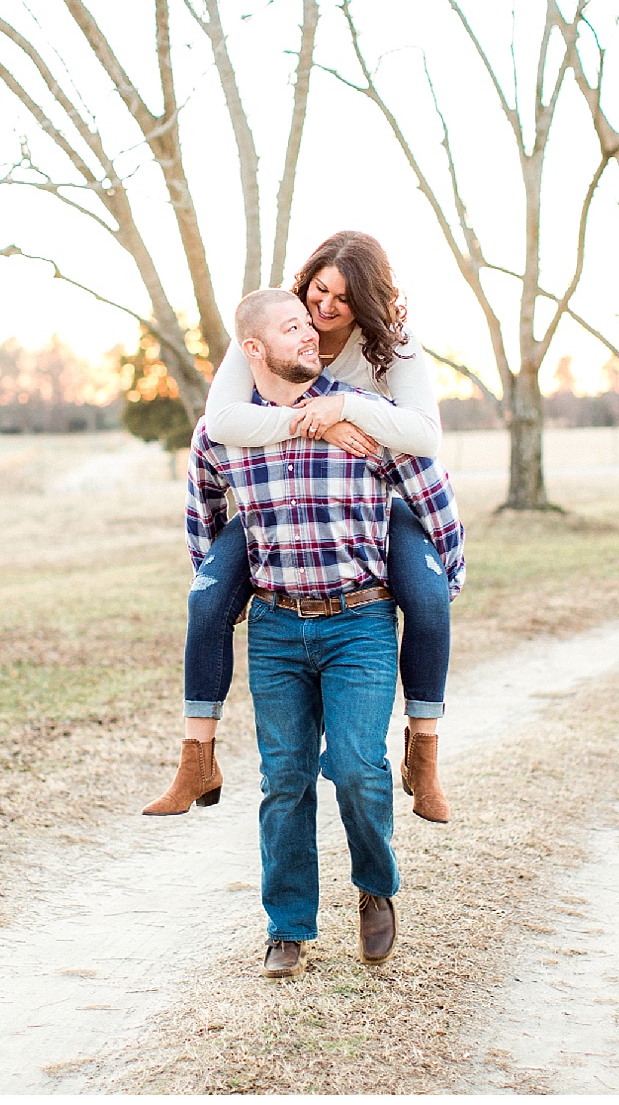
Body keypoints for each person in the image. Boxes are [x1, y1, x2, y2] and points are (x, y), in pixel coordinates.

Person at [183, 287, 465, 977]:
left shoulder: (367, 417)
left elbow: (432, 496)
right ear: (255, 350)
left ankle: (375, 889)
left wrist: (440, 582)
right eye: (294, 327)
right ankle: (287, 928)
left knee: (360, 771)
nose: (313, 334)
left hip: (361, 621)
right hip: (278, 629)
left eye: (312, 325)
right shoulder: (227, 429)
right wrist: (226, 591)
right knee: (283, 779)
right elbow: (205, 515)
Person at [144, 231, 458, 824]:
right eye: (319, 290)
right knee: (207, 602)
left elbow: (424, 437)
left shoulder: (392, 345)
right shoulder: (274, 325)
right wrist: (307, 423)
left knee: (430, 598)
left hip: (367, 498)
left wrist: (344, 410)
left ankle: (424, 752)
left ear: (368, 300)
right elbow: (222, 420)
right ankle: (197, 757)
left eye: (344, 297)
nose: (325, 309)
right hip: (277, 496)